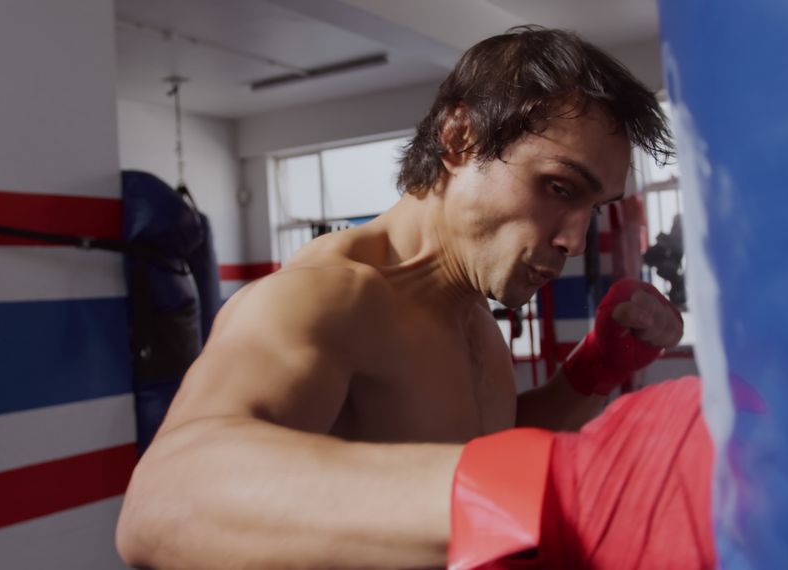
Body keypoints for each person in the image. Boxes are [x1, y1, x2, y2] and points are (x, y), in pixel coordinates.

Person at [116, 26, 703, 569]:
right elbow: (163, 500)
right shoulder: (327, 296)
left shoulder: (468, 305)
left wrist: (594, 370)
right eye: (558, 187)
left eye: (592, 210)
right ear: (457, 138)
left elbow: (474, 443)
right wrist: (543, 489)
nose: (576, 241)